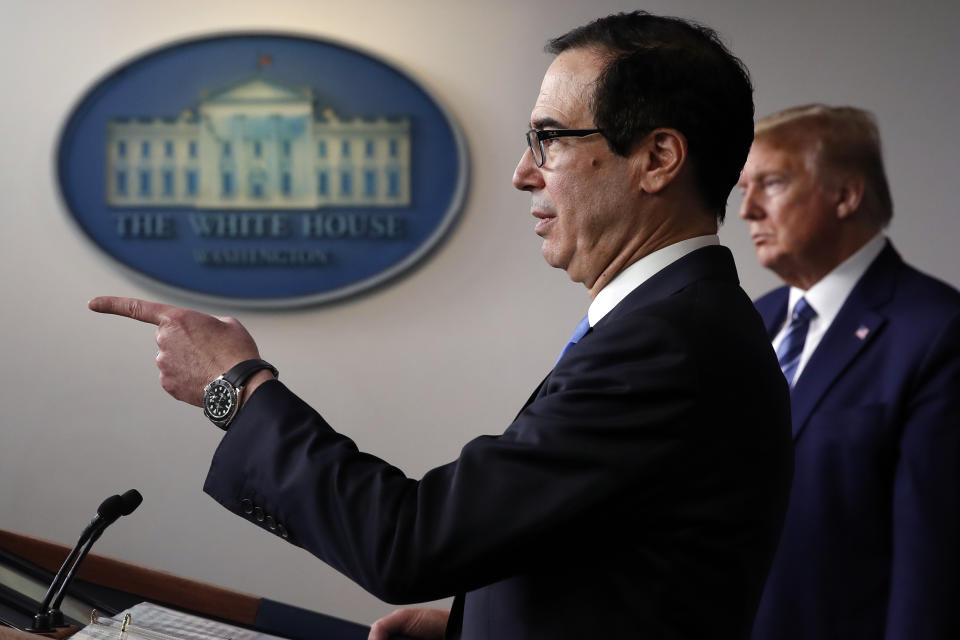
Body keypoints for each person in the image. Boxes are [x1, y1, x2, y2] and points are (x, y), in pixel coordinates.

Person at [91, 12, 793, 640]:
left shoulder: (668, 343)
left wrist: (235, 386)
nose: (523, 172)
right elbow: (608, 555)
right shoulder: (675, 323)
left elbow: (413, 543)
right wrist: (471, 623)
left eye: (549, 138)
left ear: (658, 159)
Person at [738, 104, 960, 640]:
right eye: (743, 187)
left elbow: (931, 565)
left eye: (771, 183)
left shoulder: (937, 332)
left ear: (846, 195)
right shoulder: (750, 322)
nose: (747, 210)